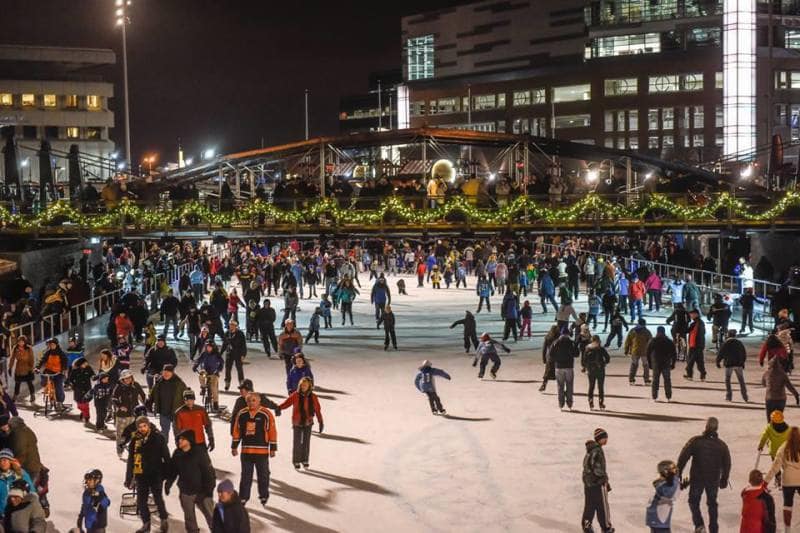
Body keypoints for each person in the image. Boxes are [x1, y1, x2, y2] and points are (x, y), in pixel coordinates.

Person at [677, 417, 731, 533]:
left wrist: (679, 473)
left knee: (693, 501)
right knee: (712, 503)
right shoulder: (722, 445)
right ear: (716, 429)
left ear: (706, 427)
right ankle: (714, 529)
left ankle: (699, 525)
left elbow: (683, 457)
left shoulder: (696, 441)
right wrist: (724, 478)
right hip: (713, 479)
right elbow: (727, 463)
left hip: (697, 477)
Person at [231, 392, 277, 507]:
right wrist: (234, 446)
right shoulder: (242, 414)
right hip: (246, 452)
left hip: (262, 452)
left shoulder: (266, 414)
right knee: (246, 475)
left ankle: (263, 495)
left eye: (253, 400)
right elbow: (237, 431)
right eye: (249, 401)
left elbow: (272, 431)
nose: (251, 403)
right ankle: (243, 497)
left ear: (259, 401)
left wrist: (273, 448)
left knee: (263, 475)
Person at [125, 416, 170, 533]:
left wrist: (166, 475)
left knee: (158, 498)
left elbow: (166, 457)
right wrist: (129, 477)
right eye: (140, 427)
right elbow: (131, 460)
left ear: (148, 425)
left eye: (144, 426)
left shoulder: (158, 438)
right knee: (141, 501)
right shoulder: (135, 440)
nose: (142, 428)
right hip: (141, 475)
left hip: (156, 474)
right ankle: (146, 523)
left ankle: (164, 519)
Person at [164, 429, 215, 533]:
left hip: (202, 491)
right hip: (186, 491)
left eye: (182, 439)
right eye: (179, 439)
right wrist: (168, 483)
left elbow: (209, 473)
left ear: (189, 440)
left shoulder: (200, 453)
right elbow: (173, 470)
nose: (179, 442)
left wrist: (208, 492)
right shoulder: (177, 453)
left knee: (211, 516)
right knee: (189, 519)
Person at [278, 377, 323, 469]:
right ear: (300, 385)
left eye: (305, 385)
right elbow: (286, 403)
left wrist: (320, 421)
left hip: (308, 422)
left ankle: (305, 459)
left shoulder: (313, 397)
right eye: (302, 385)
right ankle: (296, 460)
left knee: (306, 442)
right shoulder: (295, 395)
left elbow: (317, 409)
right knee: (297, 442)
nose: (304, 387)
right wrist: (278, 408)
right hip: (297, 422)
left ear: (309, 386)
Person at [765, 426, 800, 532]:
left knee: (787, 506)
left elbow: (775, 467)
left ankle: (787, 530)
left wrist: (765, 481)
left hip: (788, 480)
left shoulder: (783, 447)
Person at [582, 428, 613, 533]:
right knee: (602, 506)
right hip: (597, 483)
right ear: (600, 439)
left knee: (590, 504)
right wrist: (604, 479)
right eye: (605, 438)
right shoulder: (597, 450)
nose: (606, 440)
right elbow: (597, 469)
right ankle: (606, 527)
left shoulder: (590, 450)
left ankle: (587, 524)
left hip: (588, 483)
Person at [112, 369, 146, 457]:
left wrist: (145, 405)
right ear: (122, 379)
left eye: (129, 378)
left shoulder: (136, 385)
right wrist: (120, 406)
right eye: (125, 378)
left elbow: (142, 396)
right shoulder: (119, 387)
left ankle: (135, 451)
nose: (128, 380)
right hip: (122, 416)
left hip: (135, 415)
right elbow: (114, 398)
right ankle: (120, 451)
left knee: (136, 434)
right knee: (121, 435)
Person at [148, 364, 188, 439]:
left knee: (178, 434)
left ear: (172, 373)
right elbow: (153, 395)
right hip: (164, 412)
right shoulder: (158, 383)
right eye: (164, 372)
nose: (166, 374)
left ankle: (180, 449)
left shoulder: (180, 383)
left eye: (168, 372)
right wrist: (149, 403)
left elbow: (187, 396)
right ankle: (163, 449)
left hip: (177, 413)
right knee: (164, 433)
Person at [759, 410, 791, 489]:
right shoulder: (788, 428)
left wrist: (760, 446)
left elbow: (764, 437)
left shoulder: (769, 428)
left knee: (776, 465)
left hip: (774, 451)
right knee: (786, 466)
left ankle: (778, 479)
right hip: (785, 451)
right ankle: (787, 481)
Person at [645, 460, 679, 533]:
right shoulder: (662, 485)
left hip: (660, 517)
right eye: (673, 469)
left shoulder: (667, 483)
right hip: (658, 517)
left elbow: (672, 492)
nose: (675, 470)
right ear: (666, 472)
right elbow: (668, 493)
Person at [716, 329, 749, 402]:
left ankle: (729, 396)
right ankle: (745, 396)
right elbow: (744, 354)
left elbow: (720, 353)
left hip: (729, 364)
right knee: (741, 380)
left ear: (728, 335)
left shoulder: (726, 343)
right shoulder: (739, 343)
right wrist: (742, 362)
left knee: (728, 380)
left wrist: (718, 362)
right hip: (738, 364)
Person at [763, 357, 799, 423]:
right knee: (778, 419)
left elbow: (763, 383)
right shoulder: (783, 374)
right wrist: (796, 395)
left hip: (770, 398)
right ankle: (777, 430)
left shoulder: (766, 373)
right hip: (781, 399)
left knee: (769, 419)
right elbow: (790, 386)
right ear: (779, 365)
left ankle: (770, 430)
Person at [34, 337, 67, 411]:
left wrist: (63, 369)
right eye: (50, 345)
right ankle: (51, 399)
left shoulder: (61, 353)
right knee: (44, 382)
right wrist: (37, 368)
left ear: (56, 344)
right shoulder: (48, 352)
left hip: (58, 372)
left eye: (52, 344)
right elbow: (42, 360)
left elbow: (64, 362)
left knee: (58, 386)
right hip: (49, 371)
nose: (51, 346)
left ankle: (60, 402)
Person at [550, 330, 579, 411]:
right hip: (569, 367)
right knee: (569, 385)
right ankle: (569, 404)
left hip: (559, 367)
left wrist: (557, 360)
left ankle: (561, 404)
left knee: (560, 386)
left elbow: (551, 355)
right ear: (568, 334)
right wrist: (576, 346)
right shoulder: (571, 342)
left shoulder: (556, 342)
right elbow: (576, 354)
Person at [647, 326, 677, 402]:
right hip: (666, 363)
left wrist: (650, 363)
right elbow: (674, 353)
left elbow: (648, 353)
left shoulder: (653, 341)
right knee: (667, 380)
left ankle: (654, 397)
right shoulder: (669, 341)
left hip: (656, 363)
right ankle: (668, 397)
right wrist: (673, 363)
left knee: (655, 380)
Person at [192, 341, 224, 412]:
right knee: (201, 374)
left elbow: (221, 362)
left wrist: (218, 370)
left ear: (213, 347)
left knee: (213, 387)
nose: (208, 348)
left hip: (214, 373)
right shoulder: (204, 353)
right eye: (207, 347)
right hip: (206, 372)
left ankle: (215, 403)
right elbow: (198, 360)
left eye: (210, 347)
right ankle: (203, 387)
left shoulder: (216, 354)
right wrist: (195, 365)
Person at [76, 469, 109, 533]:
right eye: (87, 480)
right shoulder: (86, 492)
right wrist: (81, 516)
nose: (87, 482)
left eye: (90, 480)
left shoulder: (100, 492)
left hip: (98, 527)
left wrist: (100, 497)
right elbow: (85, 505)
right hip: (89, 525)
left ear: (97, 481)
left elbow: (106, 503)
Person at [582, 335, 609, 411]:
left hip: (591, 370)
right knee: (600, 387)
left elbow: (584, 360)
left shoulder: (587, 348)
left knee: (591, 386)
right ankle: (601, 402)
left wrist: (586, 367)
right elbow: (608, 358)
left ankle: (590, 401)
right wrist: (604, 363)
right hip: (600, 370)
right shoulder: (601, 349)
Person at [624, 318, 652, 386]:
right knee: (646, 365)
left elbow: (628, 341)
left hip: (635, 351)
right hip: (644, 351)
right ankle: (646, 380)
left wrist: (626, 350)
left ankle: (631, 379)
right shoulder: (647, 331)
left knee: (634, 365)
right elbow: (651, 342)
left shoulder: (632, 331)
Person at [68, 357, 95, 424]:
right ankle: (83, 412)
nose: (86, 364)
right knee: (79, 405)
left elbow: (93, 375)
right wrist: (72, 385)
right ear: (80, 364)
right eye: (84, 363)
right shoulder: (75, 370)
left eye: (86, 363)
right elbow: (70, 379)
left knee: (85, 404)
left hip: (86, 389)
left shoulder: (88, 369)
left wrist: (94, 377)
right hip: (78, 389)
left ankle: (86, 417)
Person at [221, 320, 247, 391]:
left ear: (236, 326)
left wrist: (243, 355)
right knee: (228, 368)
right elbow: (224, 344)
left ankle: (241, 383)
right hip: (229, 353)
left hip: (238, 353)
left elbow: (243, 345)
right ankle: (227, 382)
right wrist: (220, 353)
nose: (231, 326)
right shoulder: (227, 333)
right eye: (230, 324)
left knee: (239, 368)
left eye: (233, 325)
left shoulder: (240, 333)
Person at [8, 336, 35, 404]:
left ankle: (32, 395)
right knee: (17, 383)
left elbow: (32, 359)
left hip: (27, 367)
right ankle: (15, 396)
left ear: (25, 342)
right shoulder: (15, 348)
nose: (20, 343)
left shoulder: (29, 348)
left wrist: (31, 368)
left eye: (22, 341)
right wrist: (10, 368)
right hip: (19, 368)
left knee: (29, 382)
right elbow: (12, 358)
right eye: (19, 341)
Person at [685, 309, 707, 381]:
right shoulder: (697, 323)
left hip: (696, 346)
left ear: (696, 314)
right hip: (695, 345)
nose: (691, 316)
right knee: (699, 361)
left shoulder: (697, 323)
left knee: (690, 361)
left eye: (692, 314)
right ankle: (702, 375)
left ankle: (690, 375)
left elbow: (687, 330)